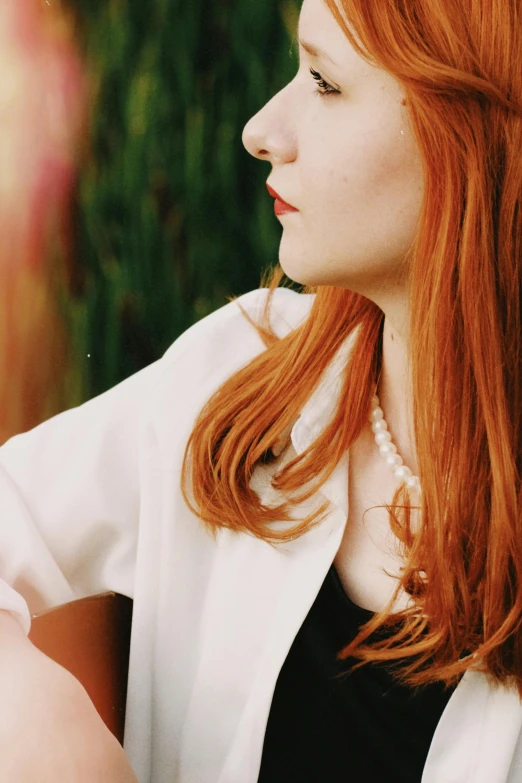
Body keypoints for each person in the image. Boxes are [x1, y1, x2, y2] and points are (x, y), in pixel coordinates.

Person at [0, 0, 521, 780]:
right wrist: (42, 721)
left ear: (476, 135)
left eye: (324, 81)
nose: (261, 128)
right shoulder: (247, 368)